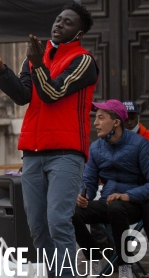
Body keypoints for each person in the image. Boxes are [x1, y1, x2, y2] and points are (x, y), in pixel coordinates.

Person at [0, 2, 98, 278]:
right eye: (58, 19)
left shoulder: (83, 61)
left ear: (79, 33)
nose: (59, 24)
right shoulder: (34, 58)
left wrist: (39, 63)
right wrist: (1, 68)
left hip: (66, 154)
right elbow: (23, 96)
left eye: (68, 22)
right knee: (38, 228)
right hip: (33, 152)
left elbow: (53, 93)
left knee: (58, 223)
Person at [72, 99, 149, 278]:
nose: (95, 123)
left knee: (116, 207)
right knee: (73, 211)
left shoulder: (140, 145)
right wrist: (85, 195)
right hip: (107, 202)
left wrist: (127, 195)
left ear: (116, 122)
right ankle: (94, 256)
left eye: (100, 118)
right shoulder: (96, 147)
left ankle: (124, 267)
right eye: (95, 118)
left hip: (133, 204)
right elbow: (89, 181)